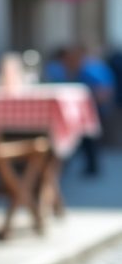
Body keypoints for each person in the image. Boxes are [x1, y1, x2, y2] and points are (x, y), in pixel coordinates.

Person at [44, 44, 113, 175]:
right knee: (86, 139)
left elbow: (103, 92)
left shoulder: (90, 69)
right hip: (86, 107)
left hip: (94, 108)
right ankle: (89, 166)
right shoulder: (79, 68)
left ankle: (92, 167)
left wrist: (92, 105)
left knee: (90, 139)